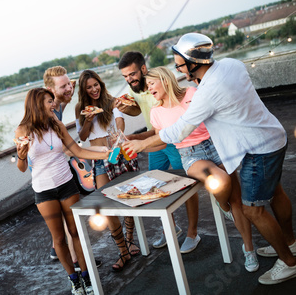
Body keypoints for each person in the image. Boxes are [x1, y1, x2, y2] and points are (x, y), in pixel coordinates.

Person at [123, 33, 296, 285]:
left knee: (252, 209)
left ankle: (289, 262)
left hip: (256, 150)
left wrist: (140, 144)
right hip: (273, 135)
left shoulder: (206, 92)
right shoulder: (231, 65)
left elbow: (178, 131)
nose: (179, 69)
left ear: (193, 62)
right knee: (276, 193)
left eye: (180, 64)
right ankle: (290, 242)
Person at [132, 66, 258, 271]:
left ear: (164, 80)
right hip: (190, 155)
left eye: (151, 83)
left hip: (216, 144)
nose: (148, 89)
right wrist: (139, 149)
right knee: (222, 182)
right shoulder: (156, 112)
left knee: (237, 199)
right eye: (147, 86)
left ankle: (249, 250)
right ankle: (222, 205)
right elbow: (163, 142)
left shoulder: (191, 93)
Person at [15, 88, 111, 294]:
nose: (53, 105)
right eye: (49, 102)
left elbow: (77, 151)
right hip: (44, 191)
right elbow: (22, 167)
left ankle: (86, 277)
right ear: (36, 104)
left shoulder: (57, 125)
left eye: (52, 101)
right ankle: (74, 280)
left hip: (67, 184)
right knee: (58, 238)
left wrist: (107, 155)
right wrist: (21, 156)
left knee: (76, 232)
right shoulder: (23, 130)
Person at [115, 52, 200, 253]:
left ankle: (193, 233)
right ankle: (170, 228)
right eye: (125, 77)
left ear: (143, 69)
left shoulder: (161, 84)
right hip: (157, 140)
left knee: (188, 187)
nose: (129, 80)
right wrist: (133, 136)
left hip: (178, 141)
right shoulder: (135, 91)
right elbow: (144, 118)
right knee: (154, 185)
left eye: (132, 74)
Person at [74, 70, 139, 272]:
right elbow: (83, 137)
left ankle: (130, 240)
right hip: (101, 160)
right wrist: (87, 119)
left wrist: (118, 135)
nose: (94, 89)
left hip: (118, 153)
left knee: (128, 198)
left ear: (100, 84)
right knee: (107, 205)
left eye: (96, 85)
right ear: (84, 91)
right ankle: (123, 251)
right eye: (89, 87)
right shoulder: (80, 108)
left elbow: (120, 120)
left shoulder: (111, 101)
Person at [43, 66, 103, 269]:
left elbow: (67, 87)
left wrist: (70, 85)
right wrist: (95, 152)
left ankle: (56, 250)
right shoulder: (48, 113)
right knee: (71, 225)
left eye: (70, 83)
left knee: (64, 222)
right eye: (64, 86)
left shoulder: (56, 103)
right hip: (50, 176)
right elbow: (66, 149)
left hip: (56, 171)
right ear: (49, 90)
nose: (69, 88)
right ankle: (78, 261)